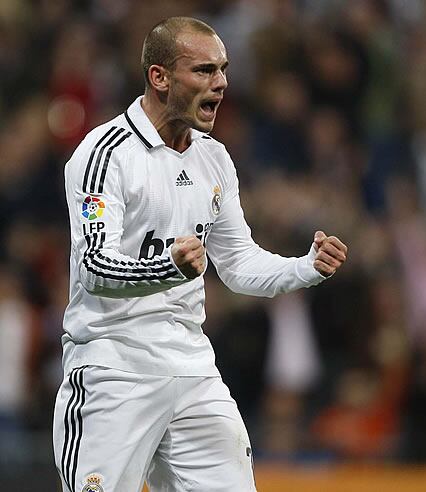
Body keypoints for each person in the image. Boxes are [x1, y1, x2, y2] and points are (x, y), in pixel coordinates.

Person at [52, 16, 347, 492]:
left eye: (224, 70)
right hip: (114, 368)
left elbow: (239, 263)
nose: (222, 83)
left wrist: (305, 267)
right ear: (160, 77)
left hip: (191, 367)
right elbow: (93, 269)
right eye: (205, 71)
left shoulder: (214, 158)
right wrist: (168, 267)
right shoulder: (103, 155)